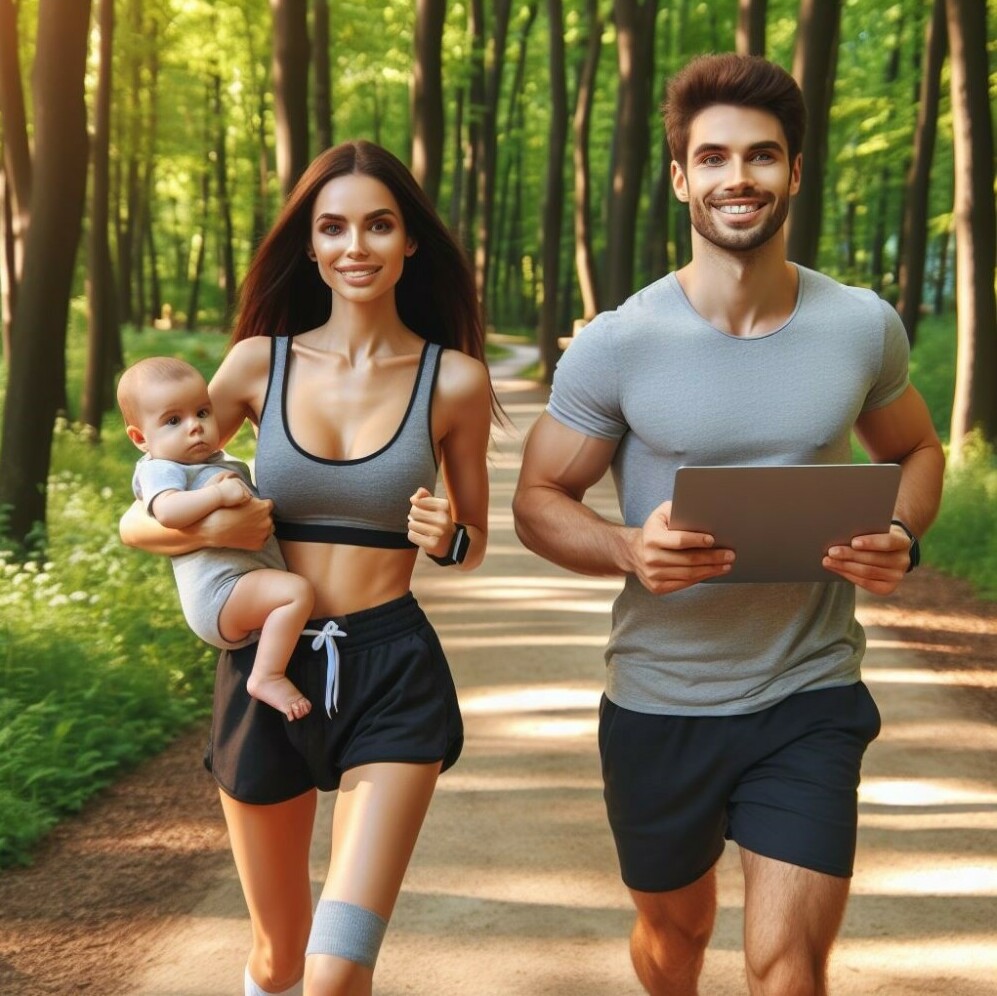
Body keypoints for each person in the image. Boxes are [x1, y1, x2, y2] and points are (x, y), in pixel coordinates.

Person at [512, 53, 944, 996]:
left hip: (809, 692)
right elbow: (537, 501)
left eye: (760, 156)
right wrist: (627, 547)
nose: (736, 178)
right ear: (680, 178)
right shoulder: (617, 342)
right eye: (712, 158)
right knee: (674, 938)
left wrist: (902, 536)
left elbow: (916, 451)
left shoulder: (862, 326)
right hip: (660, 701)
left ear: (794, 171)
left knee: (785, 966)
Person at [120, 140, 494, 996]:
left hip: (391, 672)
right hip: (265, 667)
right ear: (311, 245)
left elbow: (473, 543)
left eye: (377, 225)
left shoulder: (455, 382)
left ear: (410, 244)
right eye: (333, 227)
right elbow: (145, 509)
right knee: (278, 960)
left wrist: (446, 540)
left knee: (334, 969)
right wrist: (208, 516)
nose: (354, 246)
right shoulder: (257, 364)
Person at [117, 356, 314, 721]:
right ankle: (266, 676)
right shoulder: (160, 469)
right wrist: (217, 497)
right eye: (174, 421)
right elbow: (169, 512)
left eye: (203, 413)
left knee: (290, 595)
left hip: (239, 587)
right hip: (220, 593)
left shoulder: (214, 462)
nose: (195, 427)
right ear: (141, 438)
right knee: (296, 593)